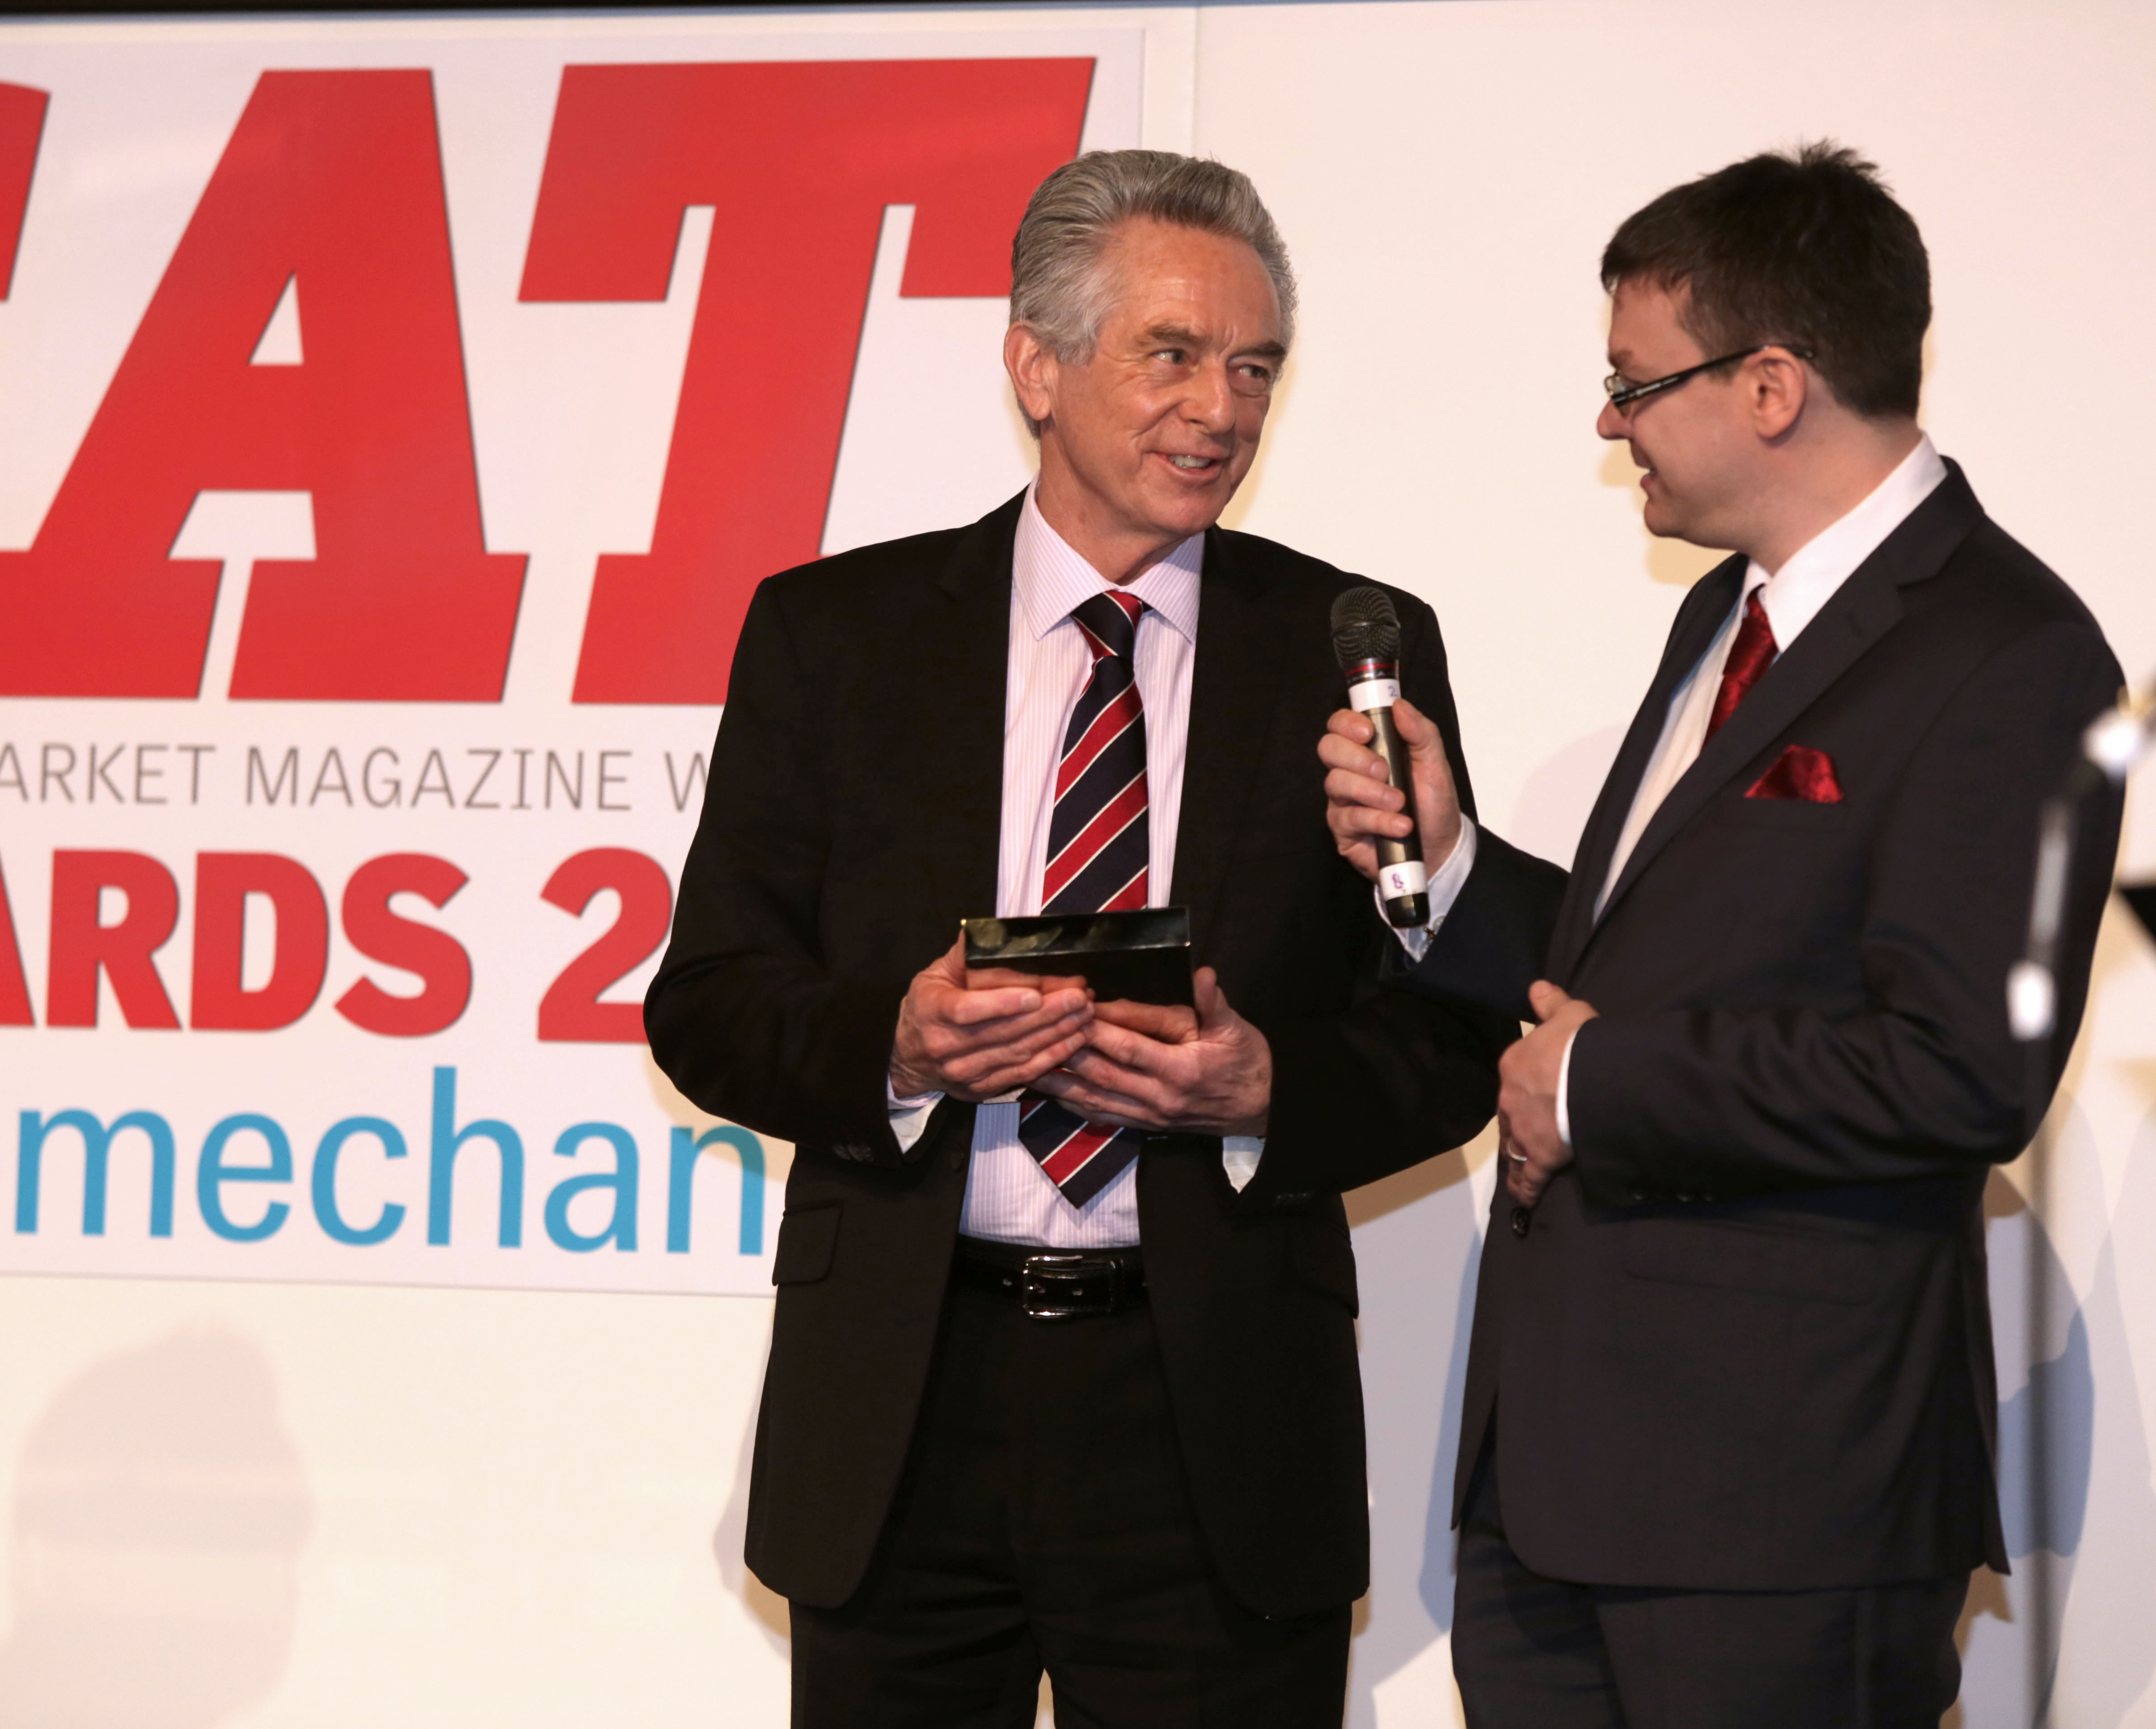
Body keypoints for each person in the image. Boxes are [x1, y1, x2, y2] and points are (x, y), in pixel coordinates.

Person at [646, 149, 1514, 1726]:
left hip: (1216, 1417)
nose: (1221, 409)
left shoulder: (1352, 647)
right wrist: (897, 1048)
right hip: (904, 1404)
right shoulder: (837, 637)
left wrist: (1268, 1091)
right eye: (1173, 354)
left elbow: (1451, 1034)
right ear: (1036, 367)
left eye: (1255, 367)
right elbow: (706, 1002)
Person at [1320, 143, 2123, 1725]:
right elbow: (1645, 969)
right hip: (1558, 1490)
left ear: (1770, 388)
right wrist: (1454, 867)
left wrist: (1595, 1089)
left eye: (1633, 384)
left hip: (1783, 1512)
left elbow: (1963, 1066)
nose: (1609, 425)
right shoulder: (1723, 614)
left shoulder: (2015, 655)